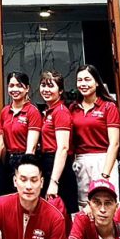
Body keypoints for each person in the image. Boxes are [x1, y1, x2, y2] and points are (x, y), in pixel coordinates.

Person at [69, 65, 120, 209]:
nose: (83, 84)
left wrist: (105, 174)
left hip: (103, 160)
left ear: (97, 82)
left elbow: (115, 143)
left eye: (87, 79)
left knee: (105, 205)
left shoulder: (109, 107)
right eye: (80, 80)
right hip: (81, 161)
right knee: (84, 207)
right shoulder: (73, 108)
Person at [39, 70, 76, 212]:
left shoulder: (60, 111)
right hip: (47, 163)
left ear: (60, 91)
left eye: (50, 86)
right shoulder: (48, 111)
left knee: (61, 212)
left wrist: (54, 181)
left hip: (59, 167)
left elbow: (63, 148)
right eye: (43, 85)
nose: (46, 90)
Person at [0, 73, 42, 189]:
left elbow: (31, 148)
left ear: (27, 88)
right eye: (11, 86)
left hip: (24, 158)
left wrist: (25, 168)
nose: (15, 89)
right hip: (8, 160)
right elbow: (2, 143)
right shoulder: (4, 111)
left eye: (19, 86)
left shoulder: (32, 111)